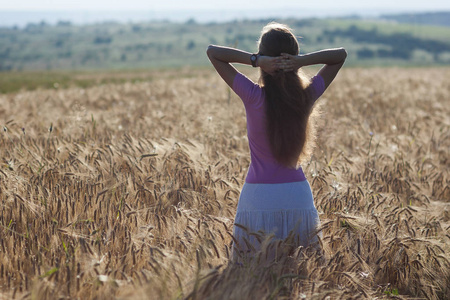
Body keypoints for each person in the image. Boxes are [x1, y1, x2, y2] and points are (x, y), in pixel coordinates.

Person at [206, 22, 347, 260]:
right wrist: (301, 61)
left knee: (249, 275)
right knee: (302, 273)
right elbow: (340, 56)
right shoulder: (307, 96)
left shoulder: (252, 96)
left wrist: (255, 60)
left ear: (264, 59)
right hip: (297, 197)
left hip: (257, 198)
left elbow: (213, 53)